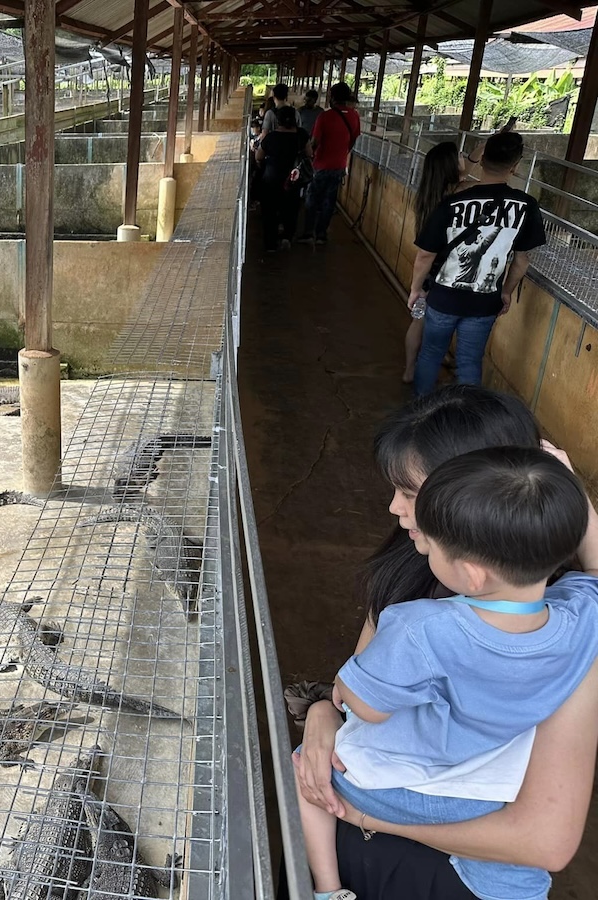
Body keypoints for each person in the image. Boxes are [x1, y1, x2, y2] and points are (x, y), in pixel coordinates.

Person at [290, 385, 598, 900]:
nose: (393, 507)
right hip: (385, 831)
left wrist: (374, 817)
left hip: (438, 862)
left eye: (412, 495)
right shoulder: (565, 617)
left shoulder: (426, 622)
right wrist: (323, 714)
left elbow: (546, 843)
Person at [409, 131, 546, 396]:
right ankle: (467, 424)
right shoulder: (526, 206)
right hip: (484, 302)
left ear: (481, 161)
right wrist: (505, 291)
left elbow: (425, 254)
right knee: (469, 362)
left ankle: (420, 412)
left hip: (443, 298)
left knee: (431, 353)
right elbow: (521, 260)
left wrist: (416, 289)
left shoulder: (453, 202)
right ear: (515, 167)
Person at [402, 142, 473, 383]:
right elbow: (488, 179)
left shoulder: (431, 192)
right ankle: (425, 363)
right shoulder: (461, 191)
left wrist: (415, 286)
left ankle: (409, 369)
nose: (464, 157)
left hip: (428, 271)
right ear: (452, 167)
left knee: (419, 320)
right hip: (446, 270)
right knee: (438, 321)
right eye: (460, 156)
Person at [296, 82, 360, 245]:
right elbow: (352, 141)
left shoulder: (325, 116)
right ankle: (322, 235)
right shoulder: (354, 116)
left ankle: (309, 233)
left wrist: (310, 155)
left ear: (332, 97)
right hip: (339, 165)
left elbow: (315, 142)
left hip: (321, 164)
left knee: (312, 198)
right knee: (329, 200)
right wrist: (342, 154)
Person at [255, 104, 308, 253]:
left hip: (271, 180)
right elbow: (309, 153)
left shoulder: (271, 137)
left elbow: (259, 156)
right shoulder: (301, 135)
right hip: (292, 180)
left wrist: (262, 164)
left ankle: (271, 244)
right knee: (291, 209)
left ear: (278, 120)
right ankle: (286, 238)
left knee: (269, 212)